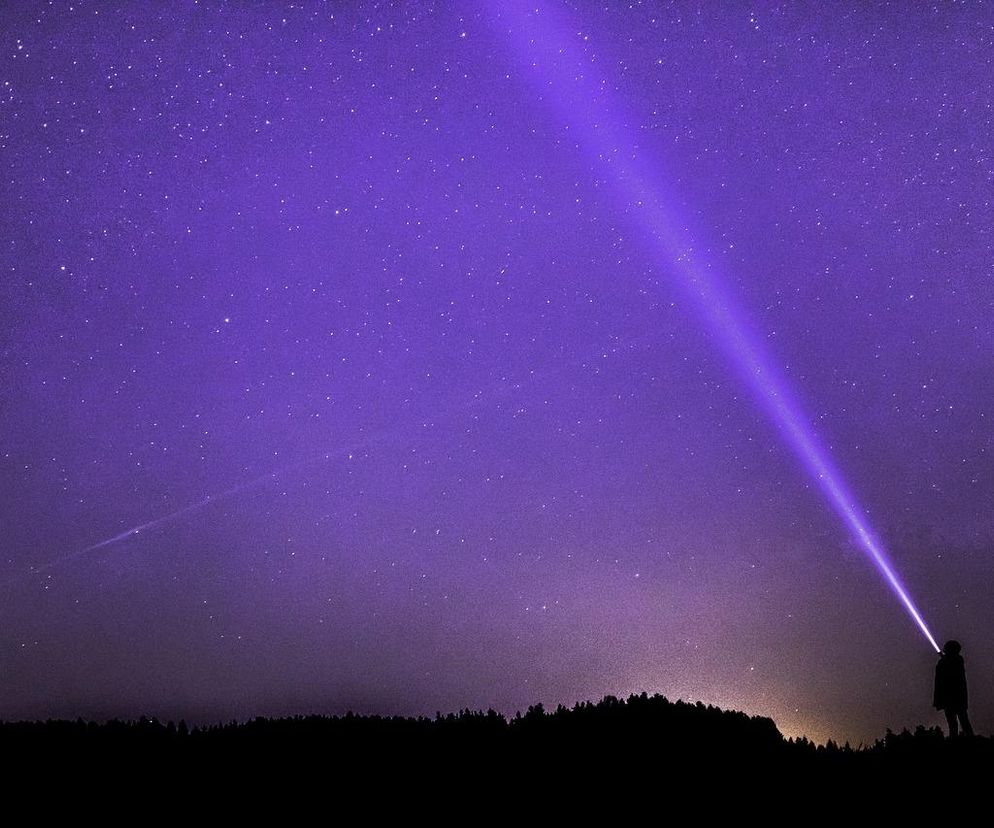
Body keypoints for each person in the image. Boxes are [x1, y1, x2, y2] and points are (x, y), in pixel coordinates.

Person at [933, 640, 973, 738]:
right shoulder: (957, 660)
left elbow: (947, 672)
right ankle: (969, 739)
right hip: (958, 697)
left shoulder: (950, 661)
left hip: (950, 697)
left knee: (954, 722)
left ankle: (956, 741)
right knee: (962, 720)